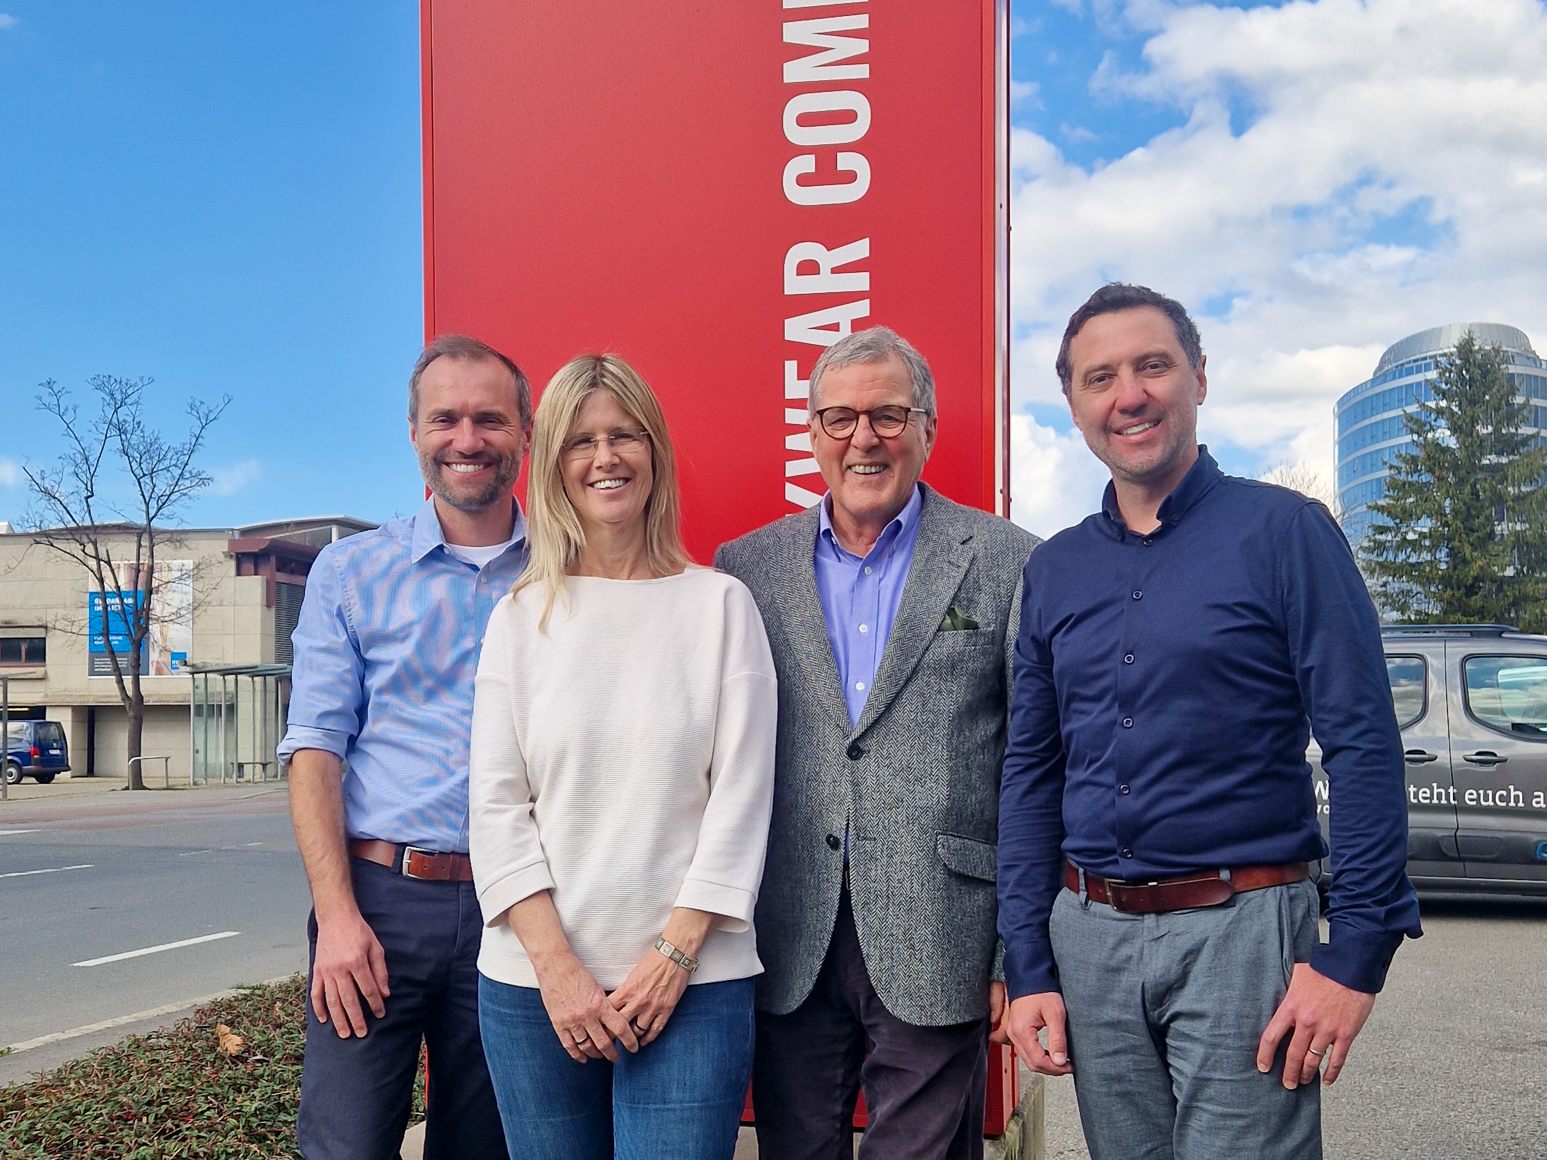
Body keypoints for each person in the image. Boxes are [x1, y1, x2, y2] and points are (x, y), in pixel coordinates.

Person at [998, 283, 1423, 1160]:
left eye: (1152, 366)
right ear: (1074, 405)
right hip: (1091, 938)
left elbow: (1361, 744)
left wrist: (1355, 953)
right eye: (1099, 377)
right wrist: (1028, 964)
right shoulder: (1055, 570)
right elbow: (1030, 774)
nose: (1129, 395)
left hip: (1242, 930)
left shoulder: (1286, 533)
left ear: (1197, 376)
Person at [716, 326, 1039, 1160]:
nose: (863, 437)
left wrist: (1017, 950)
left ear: (926, 427)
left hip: (943, 928)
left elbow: (1033, 766)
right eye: (839, 418)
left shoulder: (1008, 561)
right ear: (812, 433)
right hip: (789, 926)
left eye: (888, 415)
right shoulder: (745, 569)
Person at [469, 353, 777, 1160]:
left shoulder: (719, 606)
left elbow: (741, 801)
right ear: (555, 467)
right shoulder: (519, 618)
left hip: (692, 984)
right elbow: (497, 808)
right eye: (580, 441)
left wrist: (672, 955)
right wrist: (558, 969)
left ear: (655, 452)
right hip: (532, 984)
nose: (604, 458)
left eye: (623, 435)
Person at [279, 334, 530, 1160]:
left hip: (518, 904)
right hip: (381, 902)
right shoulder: (350, 572)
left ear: (524, 433)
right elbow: (315, 748)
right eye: (445, 419)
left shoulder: (565, 572)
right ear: (415, 434)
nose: (467, 440)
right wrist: (339, 916)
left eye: (488, 419)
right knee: (344, 1146)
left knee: (488, 1148)